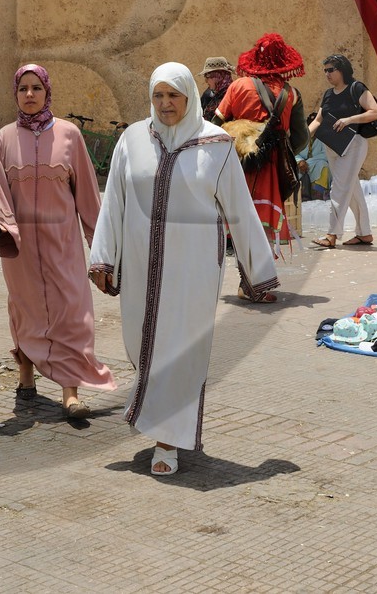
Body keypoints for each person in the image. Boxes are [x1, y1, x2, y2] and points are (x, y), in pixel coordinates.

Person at [87, 62, 277, 476]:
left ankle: (167, 443)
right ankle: (159, 421)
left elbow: (240, 210)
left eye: (173, 95)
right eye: (158, 95)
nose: (165, 103)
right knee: (143, 345)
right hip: (140, 265)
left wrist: (258, 271)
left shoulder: (216, 143)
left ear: (190, 96)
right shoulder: (134, 139)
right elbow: (114, 199)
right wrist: (103, 257)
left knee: (180, 350)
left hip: (193, 270)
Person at [0, 63, 116, 419]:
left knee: (72, 313)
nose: (29, 95)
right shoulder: (3, 139)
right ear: (15, 94)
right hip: (20, 248)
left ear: (47, 92)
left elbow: (87, 195)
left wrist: (101, 250)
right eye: (23, 88)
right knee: (26, 311)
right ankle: (26, 377)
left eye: (35, 88)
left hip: (63, 245)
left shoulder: (70, 135)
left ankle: (70, 393)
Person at [215, 33, 308, 266]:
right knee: (264, 224)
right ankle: (259, 278)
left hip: (238, 164)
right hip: (271, 168)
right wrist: (276, 152)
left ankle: (248, 279)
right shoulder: (292, 94)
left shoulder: (238, 86)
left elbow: (214, 126)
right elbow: (301, 138)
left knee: (239, 219)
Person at [308, 54, 377, 249]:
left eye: (331, 70)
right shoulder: (329, 94)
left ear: (342, 70)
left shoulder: (357, 89)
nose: (327, 74)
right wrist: (303, 139)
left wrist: (349, 120)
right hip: (333, 145)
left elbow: (374, 112)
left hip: (354, 144)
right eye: (325, 70)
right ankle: (364, 233)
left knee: (339, 188)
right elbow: (318, 120)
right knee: (351, 188)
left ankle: (332, 234)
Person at [199, 56, 235, 122]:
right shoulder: (212, 94)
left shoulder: (232, 95)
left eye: (207, 76)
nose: (206, 81)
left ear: (218, 76)